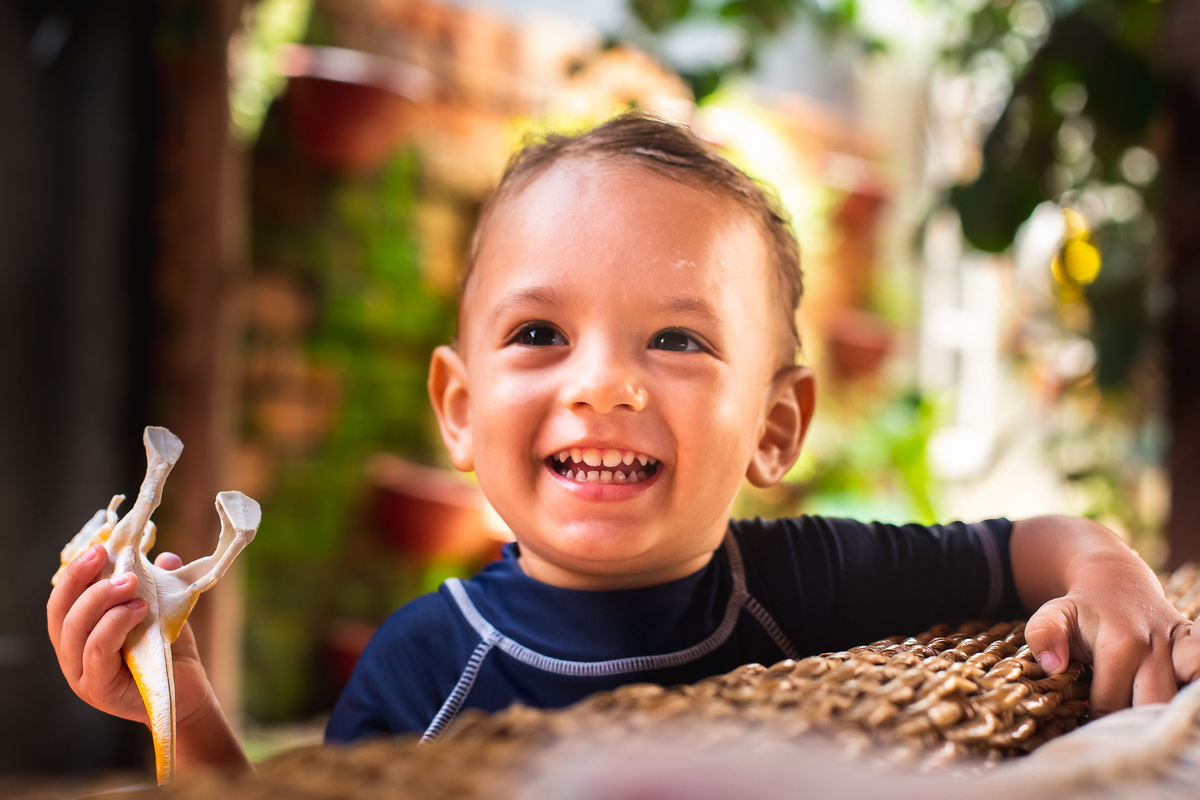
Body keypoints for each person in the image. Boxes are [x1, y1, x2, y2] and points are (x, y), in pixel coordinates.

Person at [47, 113, 1200, 775]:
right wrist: (177, 693)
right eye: (540, 333)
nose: (602, 382)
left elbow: (1031, 544)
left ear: (775, 427)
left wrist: (1109, 573)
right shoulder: (422, 663)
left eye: (677, 338)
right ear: (459, 407)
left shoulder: (803, 582)